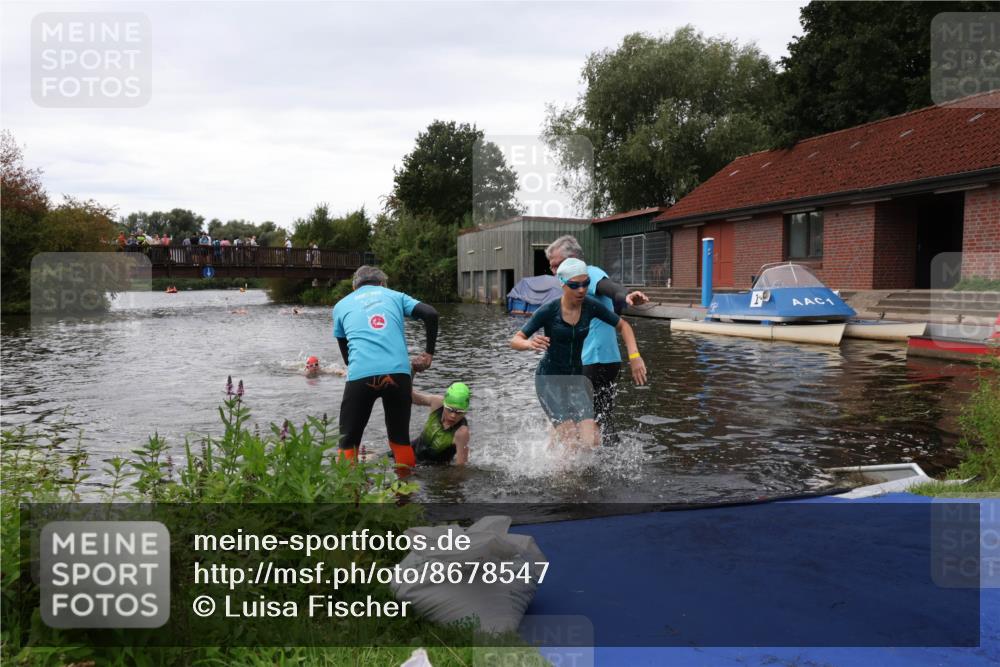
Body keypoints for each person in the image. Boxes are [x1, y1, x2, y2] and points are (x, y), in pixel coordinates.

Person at [511, 258, 647, 451]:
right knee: (570, 441)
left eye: (585, 284)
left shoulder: (590, 306)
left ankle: (555, 453)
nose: (581, 290)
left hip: (576, 379)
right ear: (562, 284)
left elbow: (623, 326)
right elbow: (515, 340)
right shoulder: (549, 310)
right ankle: (556, 468)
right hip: (549, 381)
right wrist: (529, 343)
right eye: (575, 285)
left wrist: (634, 357)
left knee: (592, 441)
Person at [333, 265, 439, 472]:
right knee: (400, 439)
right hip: (398, 374)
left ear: (354, 287)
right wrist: (428, 354)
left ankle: (348, 489)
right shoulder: (395, 296)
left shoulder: (341, 305)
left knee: (348, 442)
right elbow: (431, 313)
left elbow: (347, 358)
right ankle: (405, 488)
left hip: (361, 376)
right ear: (382, 284)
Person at [545, 235, 649, 445]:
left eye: (557, 265)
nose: (554, 271)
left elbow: (612, 289)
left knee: (572, 419)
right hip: (606, 361)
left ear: (573, 259)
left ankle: (567, 460)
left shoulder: (589, 274)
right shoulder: (574, 285)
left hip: (593, 361)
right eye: (551, 267)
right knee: (601, 420)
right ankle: (612, 457)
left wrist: (626, 296)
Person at [411, 383, 471, 465]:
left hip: (431, 467)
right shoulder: (437, 403)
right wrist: (407, 378)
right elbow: (413, 398)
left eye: (459, 412)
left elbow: (461, 466)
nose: (453, 415)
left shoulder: (461, 433)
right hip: (413, 448)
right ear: (444, 404)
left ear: (465, 412)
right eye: (450, 409)